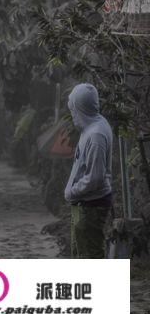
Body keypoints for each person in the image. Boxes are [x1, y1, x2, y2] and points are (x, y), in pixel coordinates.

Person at [64, 83, 113, 258]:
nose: (72, 114)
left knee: (90, 256)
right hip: (84, 203)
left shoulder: (96, 136)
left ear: (81, 109)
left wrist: (73, 191)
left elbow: (95, 178)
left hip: (91, 205)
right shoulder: (92, 127)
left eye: (73, 110)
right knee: (81, 253)